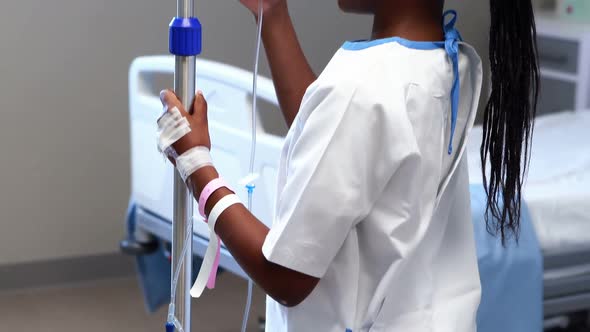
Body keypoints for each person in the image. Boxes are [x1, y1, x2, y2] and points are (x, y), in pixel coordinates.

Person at [157, 0, 539, 330]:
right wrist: (271, 15)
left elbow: (285, 274)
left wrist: (196, 165)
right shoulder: (442, 58)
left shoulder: (363, 89)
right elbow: (335, 139)